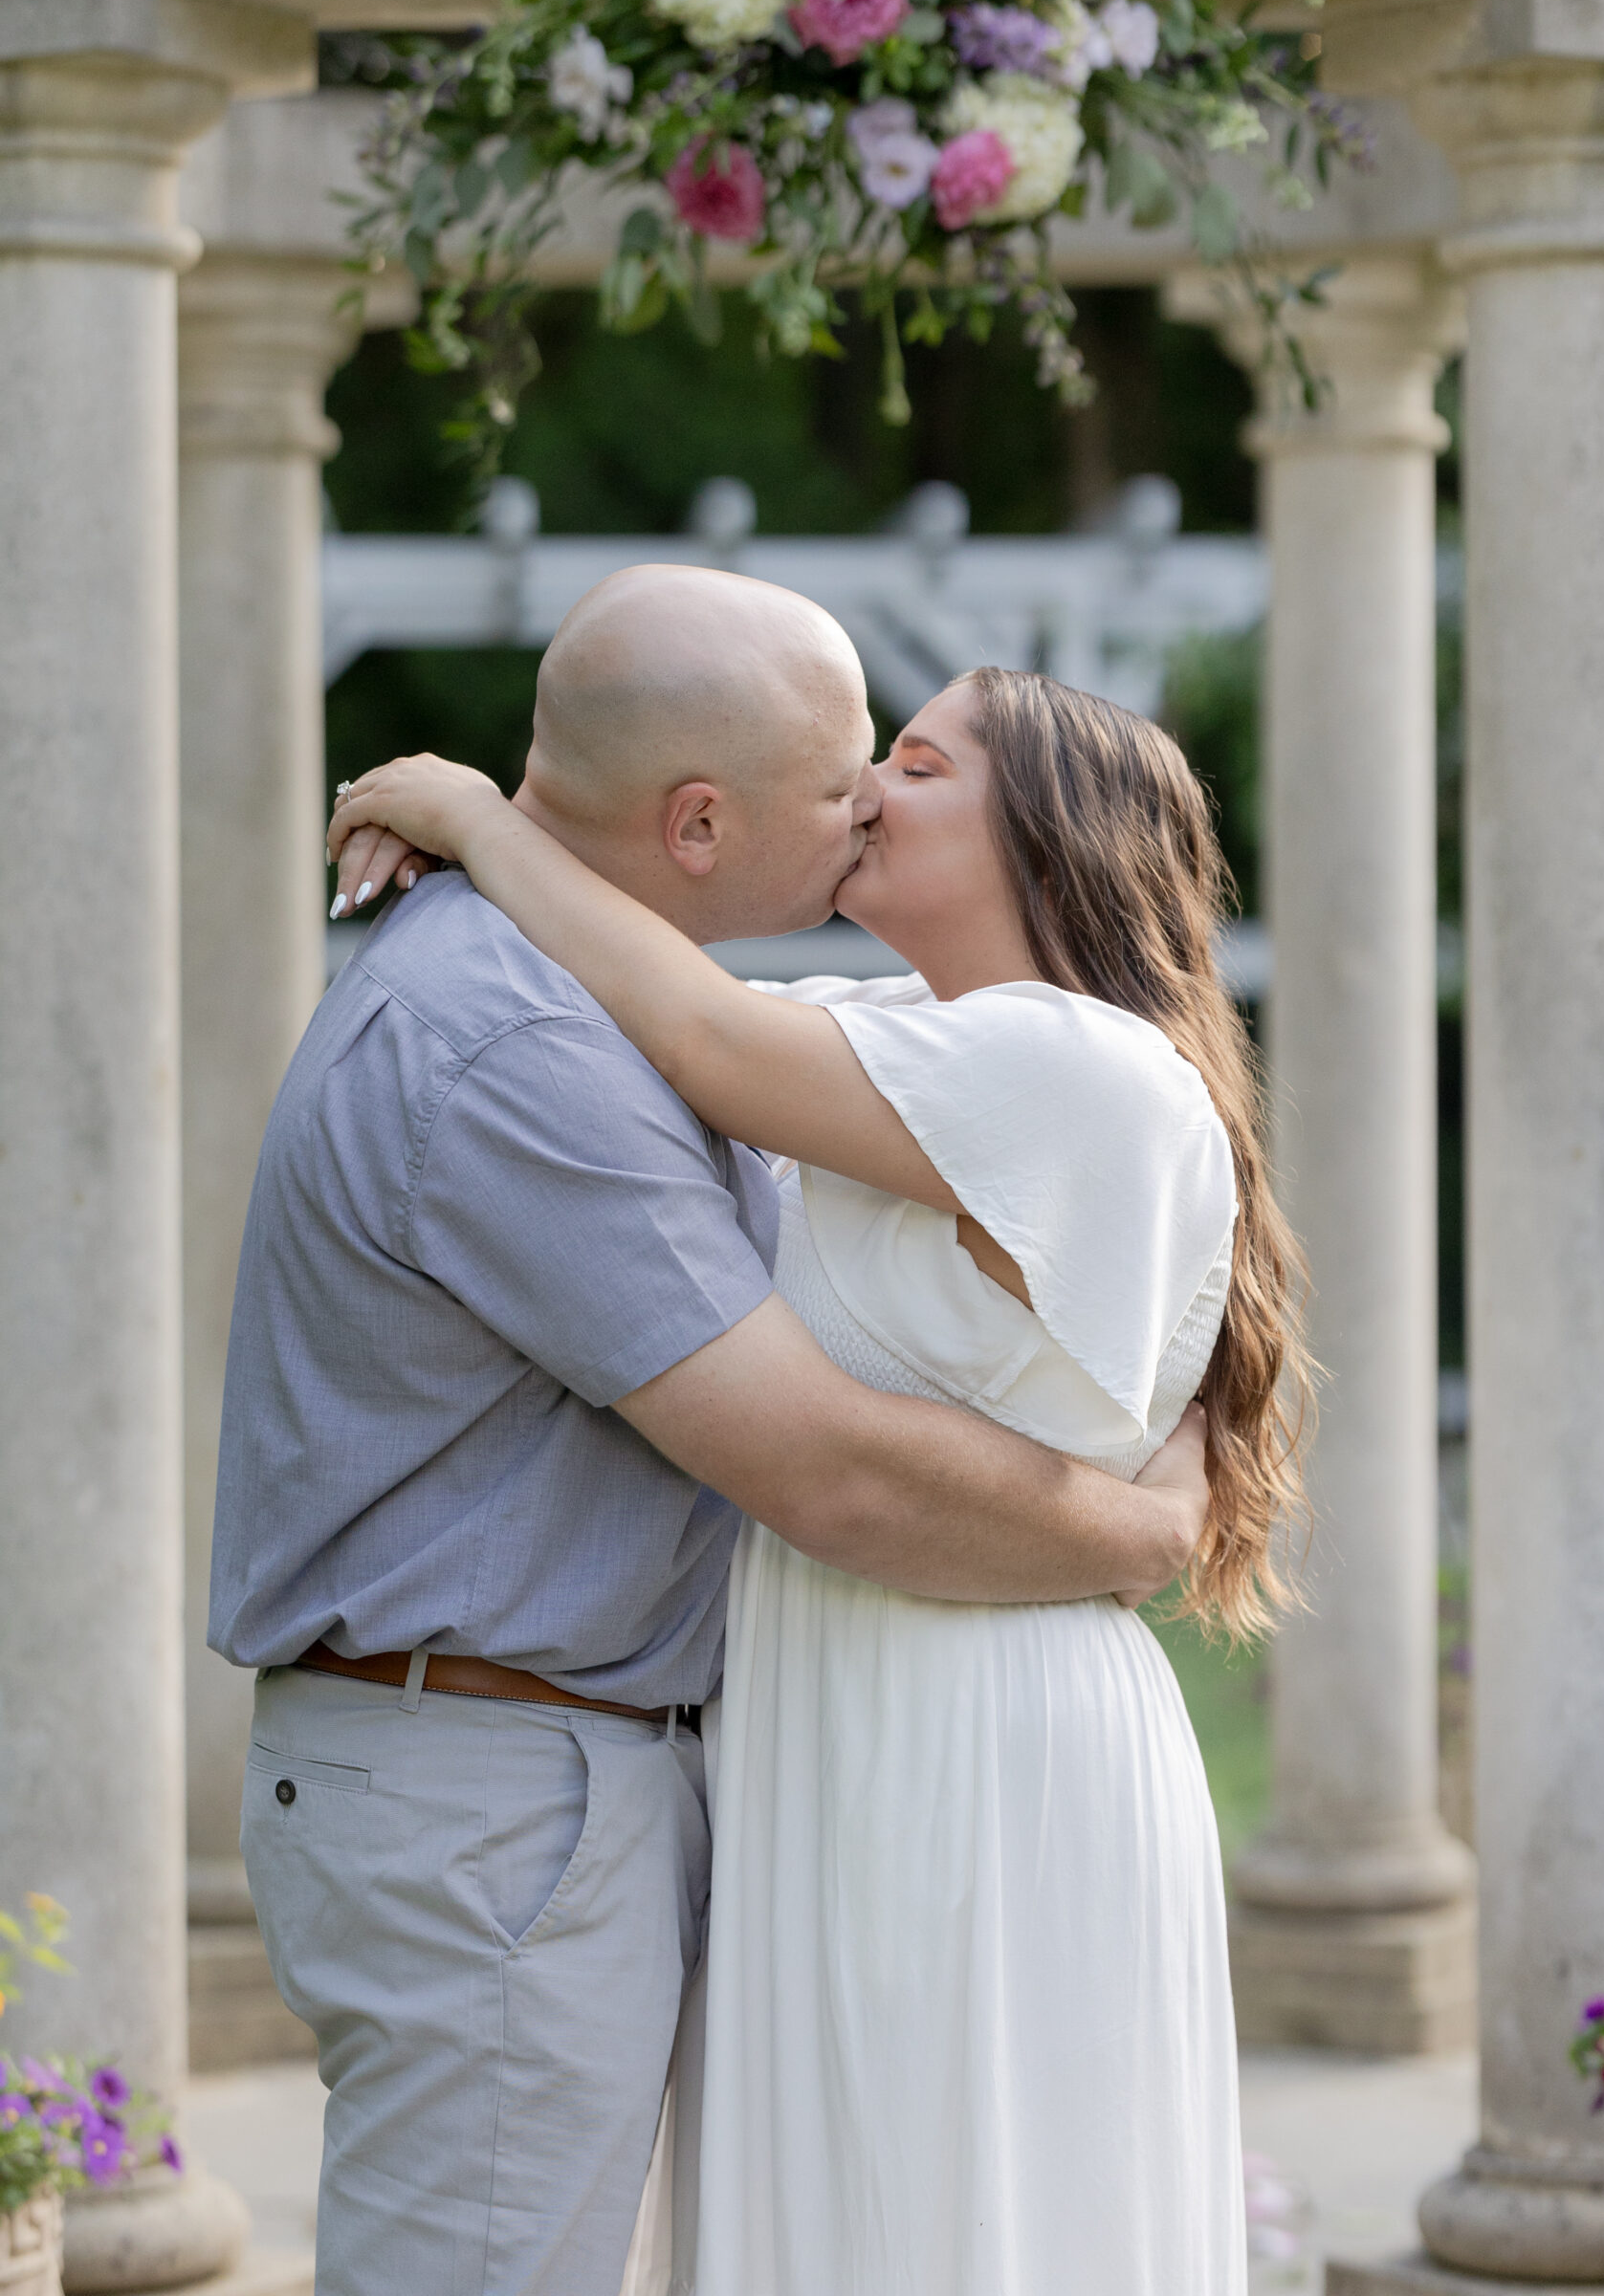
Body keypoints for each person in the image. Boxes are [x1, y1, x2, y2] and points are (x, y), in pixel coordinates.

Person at [211, 564, 1213, 2296]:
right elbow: (814, 1461)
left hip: (872, 1735)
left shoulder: (949, 1051)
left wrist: (477, 816)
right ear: (696, 822)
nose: (868, 803)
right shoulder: (543, 1039)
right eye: (856, 769)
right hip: (525, 1783)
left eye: (912, 765)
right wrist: (1141, 1532)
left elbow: (701, 1035)